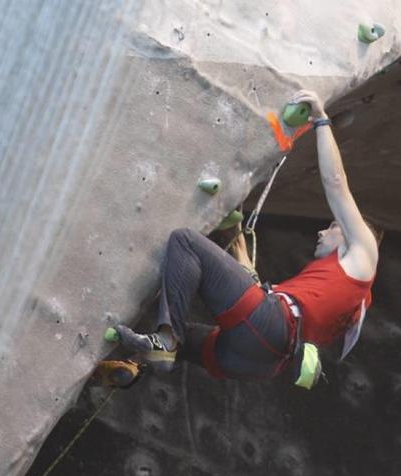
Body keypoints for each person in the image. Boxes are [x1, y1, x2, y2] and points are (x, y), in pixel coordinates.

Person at [111, 90, 381, 389]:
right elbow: (254, 293)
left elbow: (336, 184)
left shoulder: (363, 251)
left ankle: (163, 341)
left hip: (265, 328)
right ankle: (134, 367)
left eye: (332, 227)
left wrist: (321, 120)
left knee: (186, 242)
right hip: (259, 362)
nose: (322, 231)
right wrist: (237, 242)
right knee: (185, 339)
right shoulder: (344, 302)